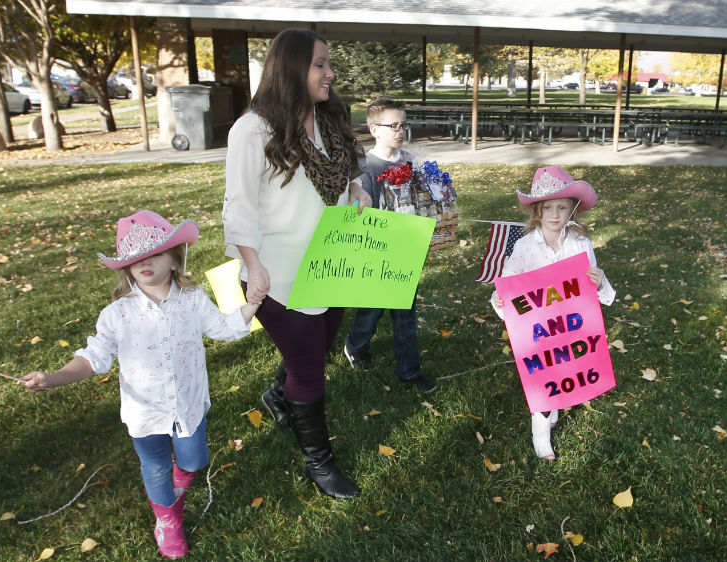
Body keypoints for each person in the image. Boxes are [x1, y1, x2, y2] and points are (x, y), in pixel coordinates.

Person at [22, 210, 264, 559]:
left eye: (156, 254)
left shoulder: (193, 300)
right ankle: (167, 520)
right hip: (145, 413)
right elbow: (93, 358)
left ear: (175, 258)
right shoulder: (117, 314)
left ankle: (176, 494)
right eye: (137, 258)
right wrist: (54, 378)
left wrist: (253, 303)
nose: (146, 263)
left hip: (188, 404)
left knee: (193, 461)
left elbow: (224, 329)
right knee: (154, 467)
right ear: (126, 266)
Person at [221, 28, 372, 499]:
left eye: (328, 64)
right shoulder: (253, 130)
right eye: (320, 65)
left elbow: (345, 175)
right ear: (291, 68)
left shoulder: (329, 121)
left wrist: (357, 190)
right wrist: (253, 266)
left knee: (320, 347)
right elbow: (238, 206)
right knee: (309, 367)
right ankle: (320, 463)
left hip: (332, 263)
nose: (330, 73)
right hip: (278, 273)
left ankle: (277, 394)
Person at [490, 166, 615, 461]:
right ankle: (541, 434)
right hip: (537, 327)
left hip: (572, 324)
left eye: (562, 207)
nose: (555, 214)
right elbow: (509, 282)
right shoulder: (523, 246)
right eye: (548, 207)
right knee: (544, 373)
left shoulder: (579, 243)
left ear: (572, 208)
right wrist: (501, 296)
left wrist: (597, 280)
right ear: (537, 210)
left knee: (566, 367)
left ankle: (556, 404)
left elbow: (591, 281)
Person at [342, 98, 437, 393]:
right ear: (374, 129)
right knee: (371, 308)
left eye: (403, 125)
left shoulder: (411, 160)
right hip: (378, 250)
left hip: (406, 247)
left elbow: (424, 198)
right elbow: (363, 213)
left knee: (405, 314)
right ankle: (355, 345)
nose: (400, 131)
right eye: (393, 125)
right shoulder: (366, 167)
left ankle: (409, 370)